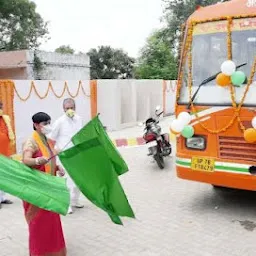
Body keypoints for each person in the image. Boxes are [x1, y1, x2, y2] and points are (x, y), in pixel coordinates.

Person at [22, 112, 67, 256]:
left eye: (49, 122)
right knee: (39, 224)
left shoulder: (46, 139)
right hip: (37, 190)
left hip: (49, 188)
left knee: (51, 224)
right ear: (36, 125)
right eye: (44, 123)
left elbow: (50, 157)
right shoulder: (31, 141)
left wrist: (57, 167)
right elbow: (25, 160)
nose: (48, 126)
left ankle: (54, 251)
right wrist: (36, 161)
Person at [49, 98, 84, 214]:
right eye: (67, 108)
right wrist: (56, 150)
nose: (70, 110)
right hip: (64, 156)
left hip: (77, 154)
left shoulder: (79, 119)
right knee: (66, 181)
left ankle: (75, 200)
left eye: (71, 108)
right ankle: (66, 204)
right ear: (63, 109)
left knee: (78, 179)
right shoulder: (59, 122)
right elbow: (51, 138)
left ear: (75, 108)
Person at [0, 101, 15, 209]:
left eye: (1, 106)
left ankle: (2, 197)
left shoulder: (5, 118)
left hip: (5, 152)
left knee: (4, 175)